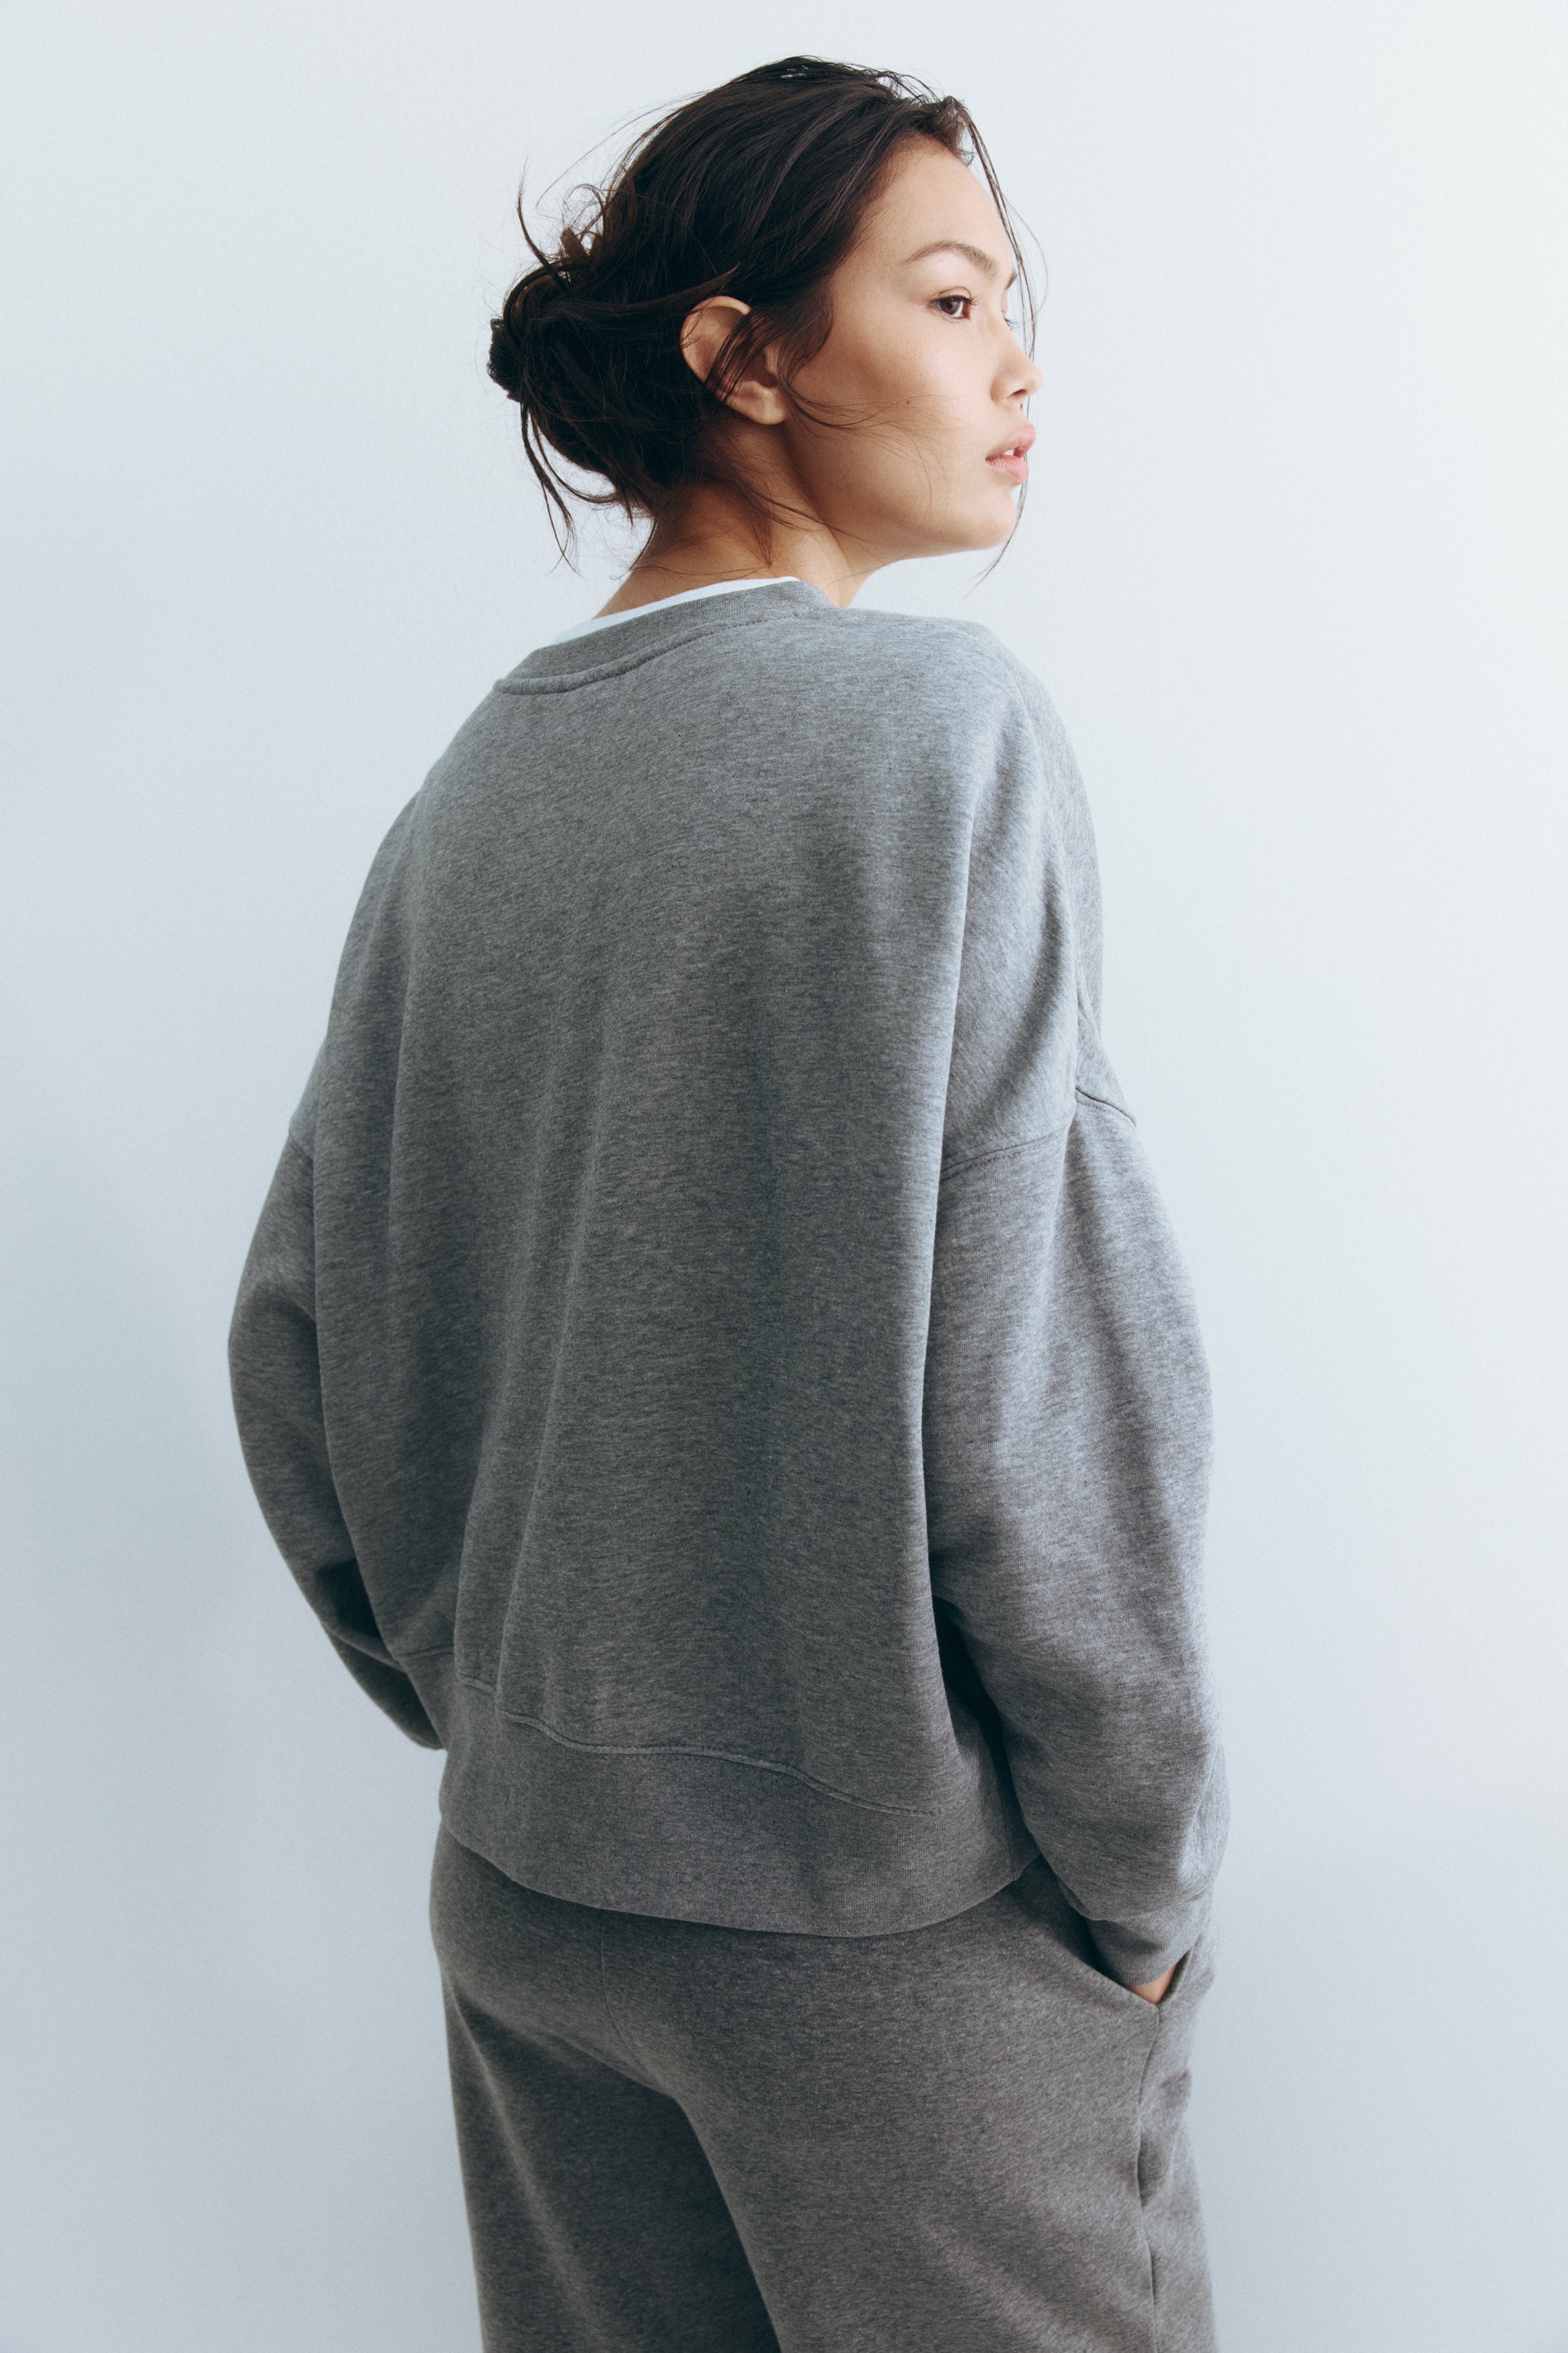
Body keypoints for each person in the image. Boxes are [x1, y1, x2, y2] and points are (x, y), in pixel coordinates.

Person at [229, 54, 1228, 2353]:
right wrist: (1143, 1879)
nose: (1016, 367)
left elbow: (295, 1349)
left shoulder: (473, 790)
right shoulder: (937, 738)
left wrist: (525, 1728)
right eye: (954, 298)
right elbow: (1042, 1396)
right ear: (744, 353)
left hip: (533, 1906)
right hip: (886, 1951)